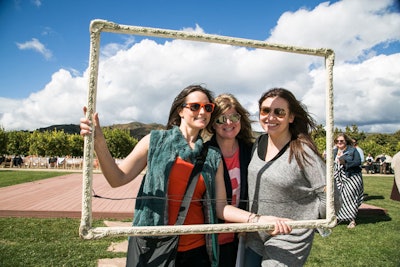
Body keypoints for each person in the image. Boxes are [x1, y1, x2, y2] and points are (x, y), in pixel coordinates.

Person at [80, 84, 291, 267]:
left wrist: (258, 220)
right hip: (153, 244)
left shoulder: (212, 155)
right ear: (181, 111)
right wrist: (99, 142)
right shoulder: (154, 141)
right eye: (195, 106)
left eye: (207, 107)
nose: (202, 112)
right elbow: (117, 179)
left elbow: (220, 206)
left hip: (198, 250)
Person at [244, 88, 338, 266]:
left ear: (291, 117)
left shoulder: (302, 151)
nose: (270, 117)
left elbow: (332, 197)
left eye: (279, 112)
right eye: (265, 111)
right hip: (256, 232)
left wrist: (305, 224)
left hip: (288, 237)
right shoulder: (258, 143)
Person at [205, 93, 254, 267]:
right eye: (221, 119)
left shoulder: (251, 151)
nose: (228, 123)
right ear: (212, 124)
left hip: (242, 235)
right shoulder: (204, 153)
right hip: (209, 238)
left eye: (234, 116)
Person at [333, 132, 364, 229]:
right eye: (337, 141)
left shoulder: (353, 150)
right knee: (337, 198)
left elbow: (358, 162)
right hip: (338, 178)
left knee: (350, 198)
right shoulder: (334, 151)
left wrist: (345, 162)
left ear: (346, 141)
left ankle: (351, 220)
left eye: (341, 141)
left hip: (352, 177)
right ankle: (338, 218)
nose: (339, 142)